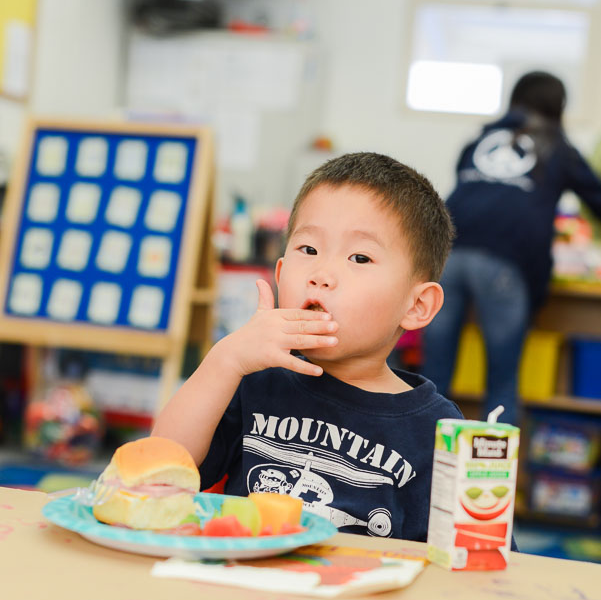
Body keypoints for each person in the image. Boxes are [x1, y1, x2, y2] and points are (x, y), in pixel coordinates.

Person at [152, 152, 462, 542]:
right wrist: (225, 360)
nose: (321, 275)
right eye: (308, 250)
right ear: (280, 274)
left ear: (416, 306)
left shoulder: (437, 431)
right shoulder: (254, 381)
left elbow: (469, 561)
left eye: (360, 257)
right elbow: (161, 468)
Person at [422, 71, 601, 427]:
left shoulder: (482, 139)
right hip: (503, 266)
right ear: (557, 106)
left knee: (432, 382)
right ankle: (492, 480)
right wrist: (535, 295)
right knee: (501, 385)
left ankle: (422, 473)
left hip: (447, 255)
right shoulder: (557, 146)